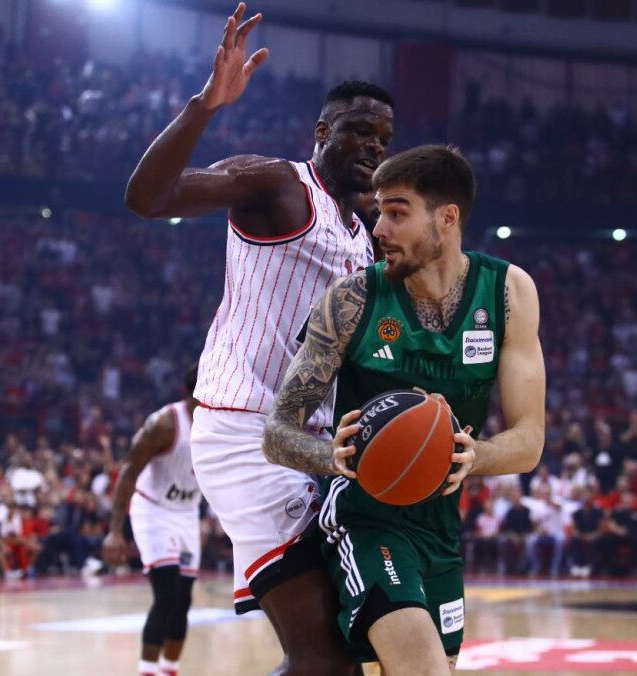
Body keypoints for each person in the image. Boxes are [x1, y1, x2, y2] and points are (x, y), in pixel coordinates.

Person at [123, 4, 394, 672]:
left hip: (310, 444)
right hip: (246, 432)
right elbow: (148, 198)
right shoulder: (277, 183)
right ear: (323, 131)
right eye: (360, 131)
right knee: (322, 661)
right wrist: (205, 106)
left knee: (341, 656)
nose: (373, 147)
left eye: (383, 139)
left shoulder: (365, 235)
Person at [263, 145, 546, 674]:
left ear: (447, 218)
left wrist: (472, 456)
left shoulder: (508, 293)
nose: (379, 229)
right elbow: (277, 432)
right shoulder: (351, 300)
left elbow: (529, 441)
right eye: (378, 213)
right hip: (363, 517)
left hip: (439, 527)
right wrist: (333, 457)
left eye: (396, 213)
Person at [102, 366, 201, 676]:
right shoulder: (165, 424)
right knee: (167, 593)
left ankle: (169, 670)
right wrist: (115, 531)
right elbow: (129, 471)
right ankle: (147, 670)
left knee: (183, 599)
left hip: (187, 513)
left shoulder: (219, 422)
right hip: (154, 511)